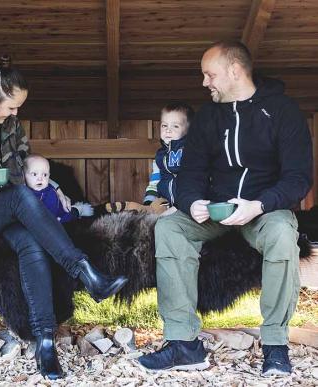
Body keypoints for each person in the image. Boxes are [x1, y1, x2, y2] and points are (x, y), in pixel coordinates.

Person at [0, 57, 128, 380]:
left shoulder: (10, 127)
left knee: (31, 242)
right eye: (11, 106)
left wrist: (54, 187)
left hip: (1, 210)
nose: (15, 113)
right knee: (21, 199)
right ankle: (85, 271)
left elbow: (23, 171)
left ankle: (45, 342)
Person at [138, 41, 313, 376]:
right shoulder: (208, 117)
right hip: (214, 211)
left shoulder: (282, 111)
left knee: (281, 232)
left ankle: (275, 345)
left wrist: (258, 205)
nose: (205, 83)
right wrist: (192, 202)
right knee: (169, 227)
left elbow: (298, 178)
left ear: (234, 71)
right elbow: (189, 173)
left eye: (209, 74)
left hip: (263, 210)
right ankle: (183, 343)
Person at [106, 102, 195, 216]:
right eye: (164, 125)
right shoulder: (160, 156)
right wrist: (149, 203)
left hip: (187, 204)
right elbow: (154, 183)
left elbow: (194, 180)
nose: (168, 130)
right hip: (165, 205)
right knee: (147, 216)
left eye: (175, 126)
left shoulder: (191, 151)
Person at [23, 154, 93, 223]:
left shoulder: (49, 193)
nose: (40, 178)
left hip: (57, 213)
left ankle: (77, 209)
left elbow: (50, 215)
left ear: (49, 176)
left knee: (67, 216)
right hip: (37, 218)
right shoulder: (24, 191)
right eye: (34, 174)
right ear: (23, 175)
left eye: (45, 175)